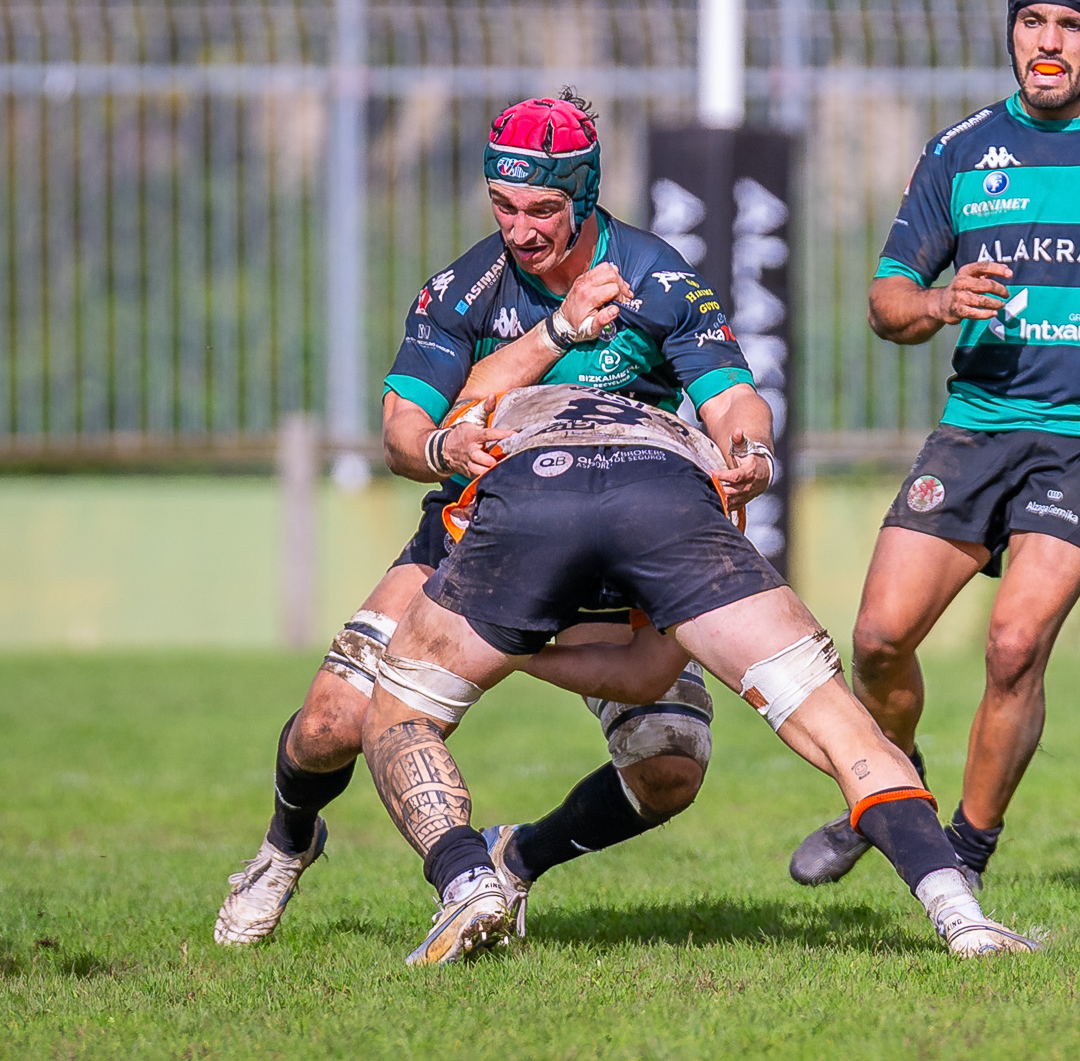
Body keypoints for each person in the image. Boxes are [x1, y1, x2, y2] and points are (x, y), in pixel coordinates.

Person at [214, 94, 773, 946]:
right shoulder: (462, 288)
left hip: (623, 544)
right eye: (503, 205)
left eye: (543, 208)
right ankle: (285, 847)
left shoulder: (657, 278)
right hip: (482, 530)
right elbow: (404, 430)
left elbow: (733, 396)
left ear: (585, 198)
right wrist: (447, 447)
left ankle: (515, 859)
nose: (521, 229)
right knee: (332, 721)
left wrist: (748, 448)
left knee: (669, 767)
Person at [786, 0, 1080, 888]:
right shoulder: (960, 151)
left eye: (1071, 27)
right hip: (978, 420)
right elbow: (886, 298)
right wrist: (943, 303)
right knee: (875, 640)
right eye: (1033, 22)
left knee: (1015, 642)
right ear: (1012, 31)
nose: (1048, 42)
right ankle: (894, 778)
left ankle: (966, 853)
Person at [358, 383, 1036, 964]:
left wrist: (511, 648)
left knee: (398, 712)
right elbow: (647, 669)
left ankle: (468, 878)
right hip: (670, 490)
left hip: (538, 487)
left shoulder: (504, 383)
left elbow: (408, 430)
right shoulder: (677, 418)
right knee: (842, 725)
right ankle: (961, 916)